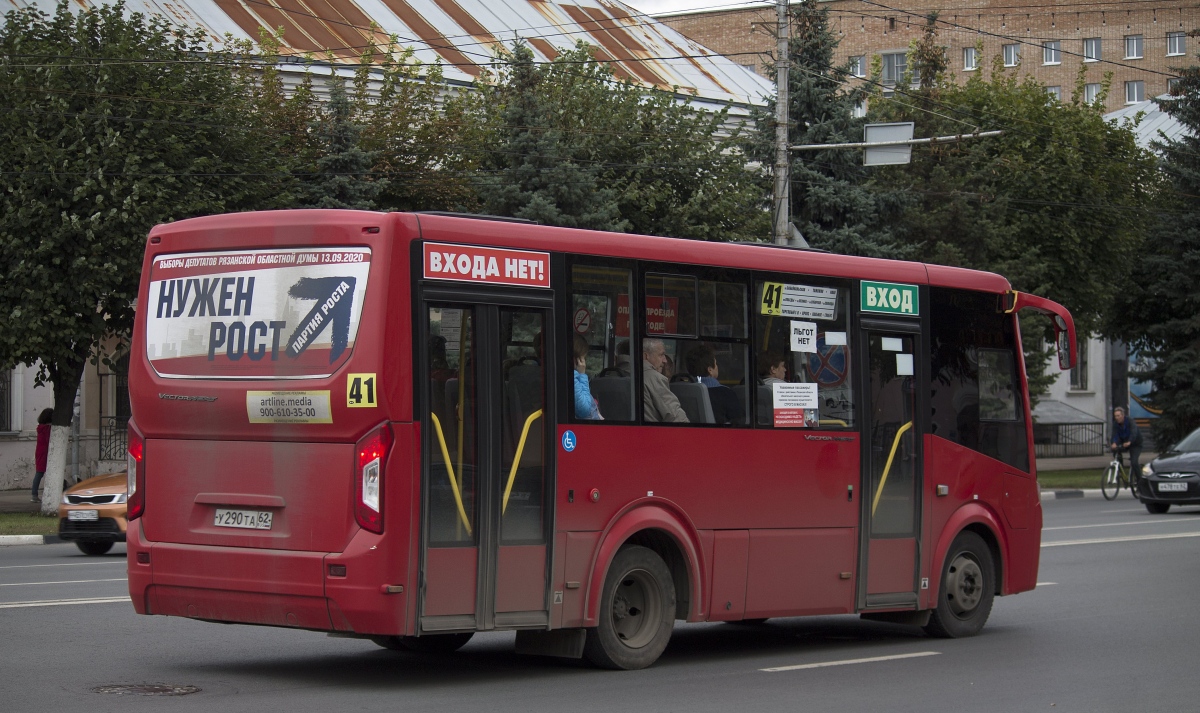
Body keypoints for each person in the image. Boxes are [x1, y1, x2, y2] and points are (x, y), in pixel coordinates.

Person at [685, 344, 745, 425]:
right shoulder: (726, 394)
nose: (717, 367)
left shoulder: (686, 391)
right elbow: (739, 423)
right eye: (716, 364)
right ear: (710, 370)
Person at [642, 338, 688, 423]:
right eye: (661, 355)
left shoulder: (629, 374)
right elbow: (674, 416)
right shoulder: (654, 378)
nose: (665, 360)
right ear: (646, 356)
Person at [1111, 406, 1143, 496]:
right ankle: (1120, 472)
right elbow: (1114, 434)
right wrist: (1113, 443)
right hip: (1124, 442)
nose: (1116, 418)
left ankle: (1140, 486)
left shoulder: (1130, 421)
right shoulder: (1115, 424)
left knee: (1134, 462)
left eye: (1118, 416)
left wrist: (1130, 441)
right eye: (1115, 416)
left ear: (1123, 415)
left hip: (1135, 444)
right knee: (1115, 452)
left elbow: (1134, 432)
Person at [573, 334, 602, 420]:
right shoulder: (572, 377)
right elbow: (584, 410)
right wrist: (582, 374)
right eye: (583, 357)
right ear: (577, 359)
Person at [31, 408, 52, 502]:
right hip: (45, 452)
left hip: (40, 452)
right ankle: (34, 495)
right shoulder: (47, 428)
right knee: (40, 473)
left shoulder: (41, 427)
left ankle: (34, 494)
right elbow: (49, 441)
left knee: (39, 472)